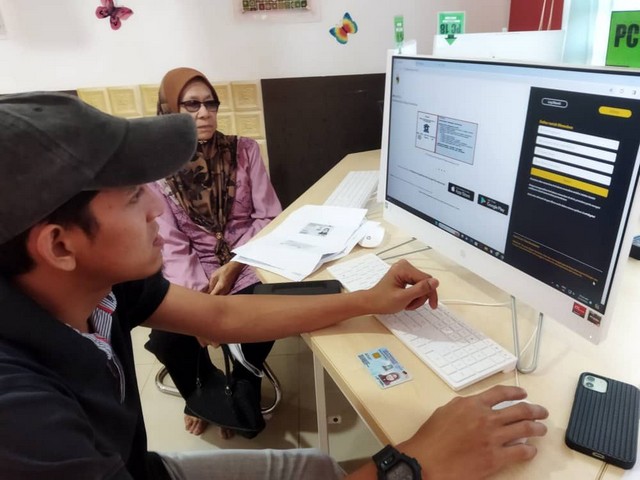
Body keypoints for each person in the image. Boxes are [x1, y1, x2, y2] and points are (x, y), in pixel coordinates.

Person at [0, 92, 548, 480]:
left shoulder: (101, 285)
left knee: (316, 467)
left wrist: (367, 299)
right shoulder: (22, 419)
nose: (155, 209)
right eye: (132, 196)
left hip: (141, 467)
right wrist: (412, 465)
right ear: (59, 246)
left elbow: (221, 318)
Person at [143, 67, 282, 438]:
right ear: (169, 111)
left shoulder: (245, 151)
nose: (204, 113)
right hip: (191, 268)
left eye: (211, 103)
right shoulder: (157, 170)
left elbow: (268, 217)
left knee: (260, 308)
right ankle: (202, 390)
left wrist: (236, 265)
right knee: (170, 334)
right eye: (191, 105)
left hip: (248, 258)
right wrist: (202, 307)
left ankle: (245, 378)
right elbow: (173, 245)